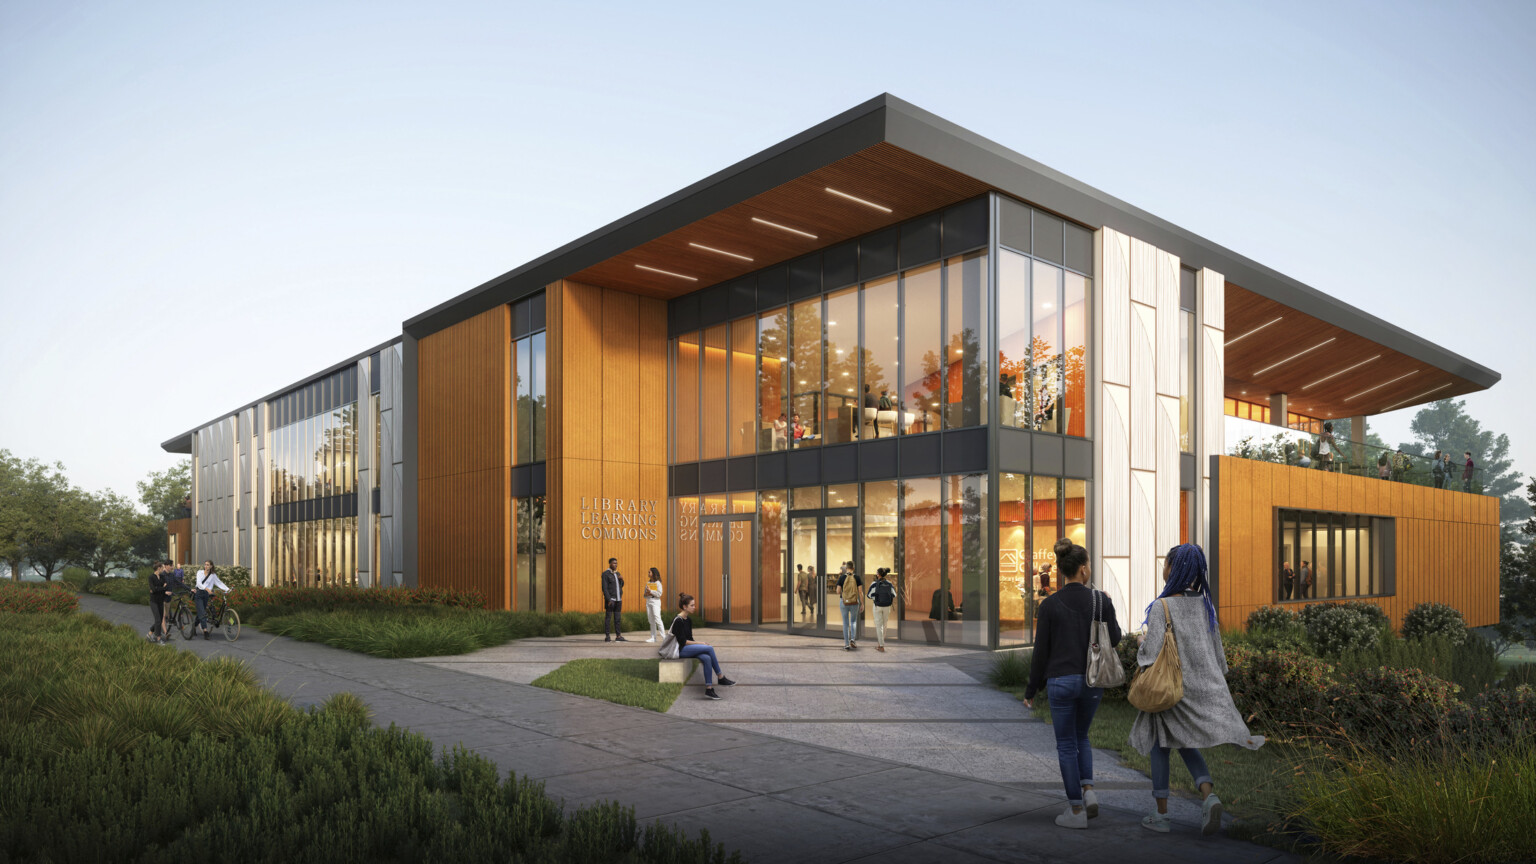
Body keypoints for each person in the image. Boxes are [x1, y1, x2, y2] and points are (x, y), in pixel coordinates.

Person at [1131, 544, 1264, 836]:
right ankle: (1208, 796)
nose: (1162, 569)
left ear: (1173, 569)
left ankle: (1161, 815)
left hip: (1171, 690)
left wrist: (1140, 642)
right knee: (1185, 741)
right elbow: (1218, 656)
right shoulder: (1205, 605)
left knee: (1160, 744)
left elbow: (1150, 655)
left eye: (1165, 564)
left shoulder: (1162, 606)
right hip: (1201, 688)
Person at [1024, 538, 1121, 829]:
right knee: (1082, 737)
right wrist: (1107, 607)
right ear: (1082, 569)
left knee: (1066, 744)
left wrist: (1031, 690)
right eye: (1088, 564)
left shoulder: (1050, 604)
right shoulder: (1100, 600)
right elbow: (1115, 639)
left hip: (1060, 682)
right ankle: (1088, 790)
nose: (1089, 568)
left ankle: (1076, 811)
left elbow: (1041, 652)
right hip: (1093, 681)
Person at [671, 593, 735, 699]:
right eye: (692, 605)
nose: (694, 607)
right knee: (709, 648)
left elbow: (690, 638)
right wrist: (700, 643)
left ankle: (709, 689)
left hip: (687, 648)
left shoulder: (689, 620)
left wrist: (698, 646)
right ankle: (720, 677)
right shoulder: (678, 621)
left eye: (694, 605)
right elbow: (683, 642)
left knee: (707, 658)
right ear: (684, 607)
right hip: (679, 650)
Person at [193, 560, 231, 640]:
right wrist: (206, 588)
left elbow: (219, 583)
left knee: (201, 612)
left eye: (208, 565)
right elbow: (199, 583)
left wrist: (227, 589)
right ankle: (205, 632)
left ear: (211, 566)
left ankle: (194, 626)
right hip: (199, 594)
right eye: (205, 564)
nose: (206, 566)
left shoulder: (213, 575)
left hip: (206, 595)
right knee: (203, 613)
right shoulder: (199, 573)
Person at [835, 561, 863, 650]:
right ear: (853, 568)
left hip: (844, 602)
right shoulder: (857, 578)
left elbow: (838, 591)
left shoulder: (842, 577)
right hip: (854, 602)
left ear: (846, 568)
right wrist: (862, 603)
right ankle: (852, 640)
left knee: (845, 623)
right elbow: (860, 592)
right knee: (853, 621)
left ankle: (846, 644)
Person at [867, 568, 896, 652]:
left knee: (879, 626)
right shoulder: (889, 584)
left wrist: (875, 597)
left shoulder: (874, 584)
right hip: (887, 606)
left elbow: (869, 595)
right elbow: (894, 594)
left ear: (878, 574)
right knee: (884, 625)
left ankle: (881, 645)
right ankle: (881, 643)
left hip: (877, 606)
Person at [147, 560, 174, 644]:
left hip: (160, 601)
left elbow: (157, 589)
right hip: (154, 601)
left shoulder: (162, 577)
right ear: (159, 568)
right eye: (162, 567)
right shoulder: (151, 577)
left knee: (158, 621)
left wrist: (159, 588)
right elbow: (154, 590)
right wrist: (162, 588)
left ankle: (150, 634)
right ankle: (158, 639)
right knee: (158, 620)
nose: (163, 569)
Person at [601, 558, 626, 642]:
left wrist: (621, 580)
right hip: (611, 600)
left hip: (619, 600)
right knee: (608, 618)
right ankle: (607, 636)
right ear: (610, 564)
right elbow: (605, 588)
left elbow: (620, 586)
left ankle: (618, 636)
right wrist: (608, 599)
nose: (616, 565)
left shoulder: (617, 573)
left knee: (617, 618)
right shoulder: (605, 574)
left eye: (616, 563)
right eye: (614, 563)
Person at [643, 567, 665, 643]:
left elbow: (659, 594)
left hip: (655, 602)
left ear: (653, 573)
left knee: (657, 618)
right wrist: (646, 593)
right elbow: (645, 595)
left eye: (649, 572)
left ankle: (664, 637)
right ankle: (653, 637)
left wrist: (651, 591)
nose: (648, 573)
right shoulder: (648, 583)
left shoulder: (658, 583)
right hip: (648, 602)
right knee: (651, 620)